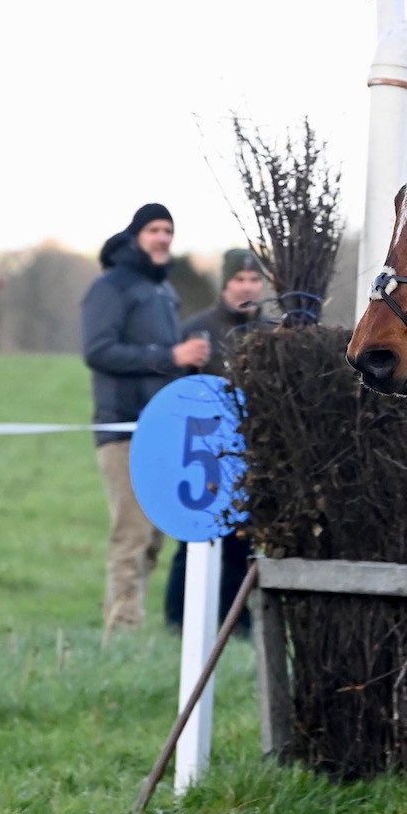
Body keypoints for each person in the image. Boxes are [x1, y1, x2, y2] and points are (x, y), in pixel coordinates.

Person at [81, 203, 209, 632]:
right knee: (132, 535)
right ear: (136, 235)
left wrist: (185, 361)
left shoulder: (163, 290)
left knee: (153, 537)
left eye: (169, 230)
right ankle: (120, 636)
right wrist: (170, 355)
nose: (163, 238)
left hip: (161, 428)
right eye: (155, 229)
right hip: (123, 426)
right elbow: (97, 351)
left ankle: (129, 634)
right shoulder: (111, 287)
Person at [164, 249, 263, 632]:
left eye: (254, 280)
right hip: (203, 451)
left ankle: (235, 623)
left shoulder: (274, 331)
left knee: (243, 542)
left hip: (253, 450)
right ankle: (177, 621)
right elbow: (175, 393)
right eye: (239, 280)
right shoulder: (198, 329)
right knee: (192, 540)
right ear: (225, 285)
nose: (247, 287)